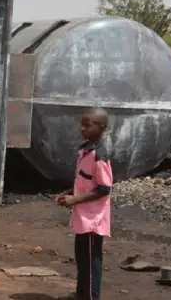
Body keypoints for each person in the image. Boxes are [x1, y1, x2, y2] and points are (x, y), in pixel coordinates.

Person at [55, 108, 112, 300]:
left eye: (88, 125)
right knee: (82, 257)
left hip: (93, 218)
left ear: (101, 127)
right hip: (83, 216)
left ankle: (90, 297)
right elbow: (83, 181)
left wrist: (75, 199)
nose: (82, 129)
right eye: (82, 124)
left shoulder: (99, 156)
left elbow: (104, 189)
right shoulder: (85, 150)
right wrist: (69, 193)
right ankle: (81, 293)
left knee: (91, 260)